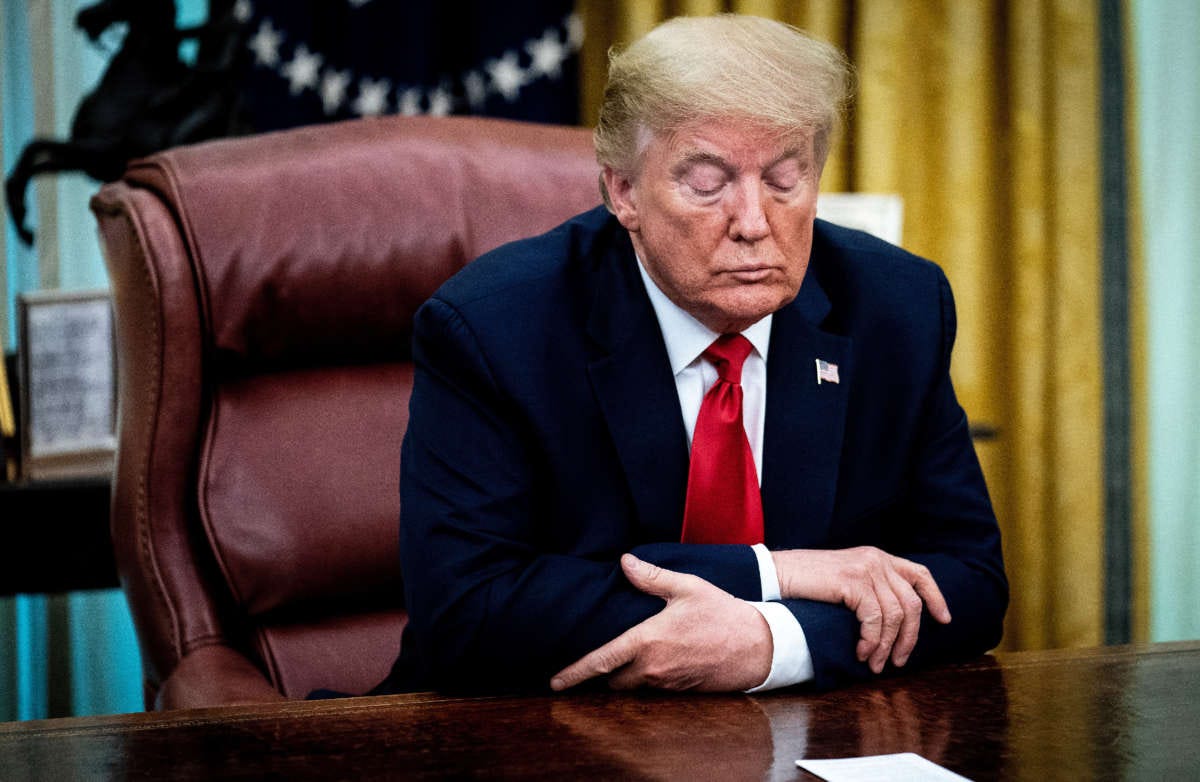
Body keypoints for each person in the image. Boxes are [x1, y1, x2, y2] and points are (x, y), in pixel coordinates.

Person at [378, 14, 1007, 695]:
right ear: (624, 192)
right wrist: (778, 574)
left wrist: (775, 643)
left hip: (807, 738)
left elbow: (968, 584)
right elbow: (469, 609)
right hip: (527, 735)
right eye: (708, 183)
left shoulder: (896, 307)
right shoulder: (495, 328)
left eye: (785, 179)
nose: (754, 222)